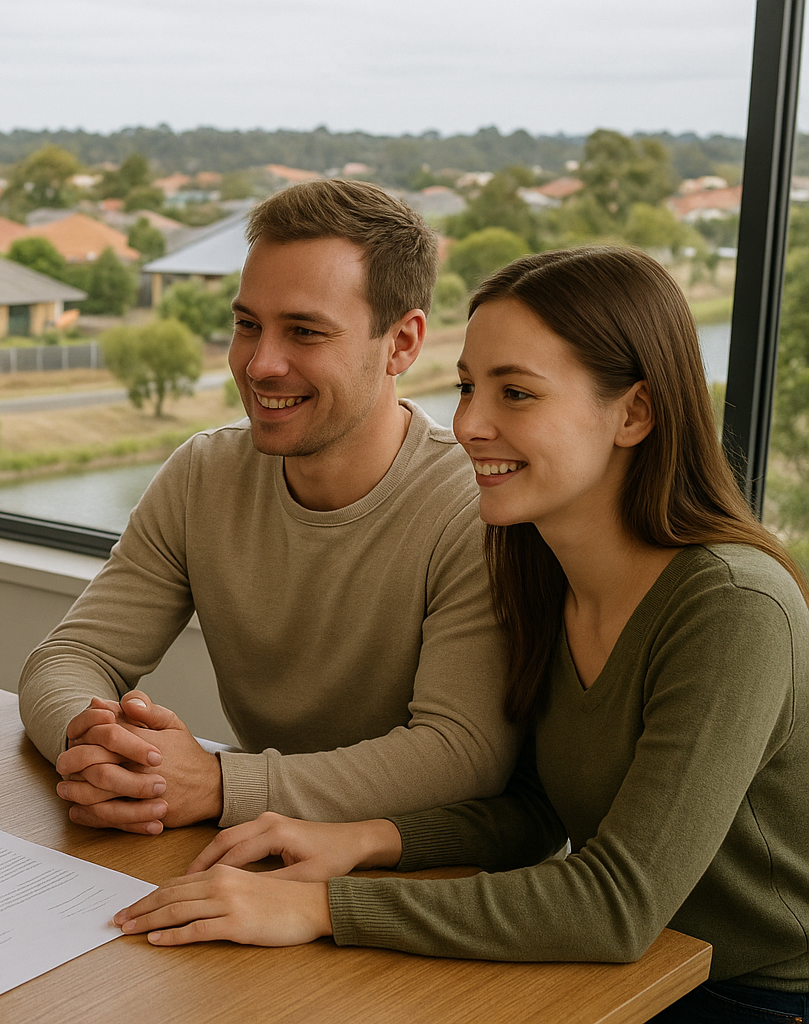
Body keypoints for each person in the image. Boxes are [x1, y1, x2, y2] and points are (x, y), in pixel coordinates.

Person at [113, 246, 809, 1021]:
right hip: (621, 973)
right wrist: (366, 841)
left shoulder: (734, 606)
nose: (472, 425)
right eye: (469, 388)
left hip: (755, 993)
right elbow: (535, 814)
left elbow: (616, 903)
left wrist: (323, 908)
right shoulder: (539, 565)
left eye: (516, 393)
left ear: (634, 413)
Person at [17, 179, 519, 836]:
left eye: (305, 332)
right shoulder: (204, 473)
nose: (259, 365)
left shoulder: (474, 505)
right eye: (247, 325)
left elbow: (462, 753)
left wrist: (222, 784)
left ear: (402, 343)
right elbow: (70, 657)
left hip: (422, 876)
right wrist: (111, 754)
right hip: (254, 854)